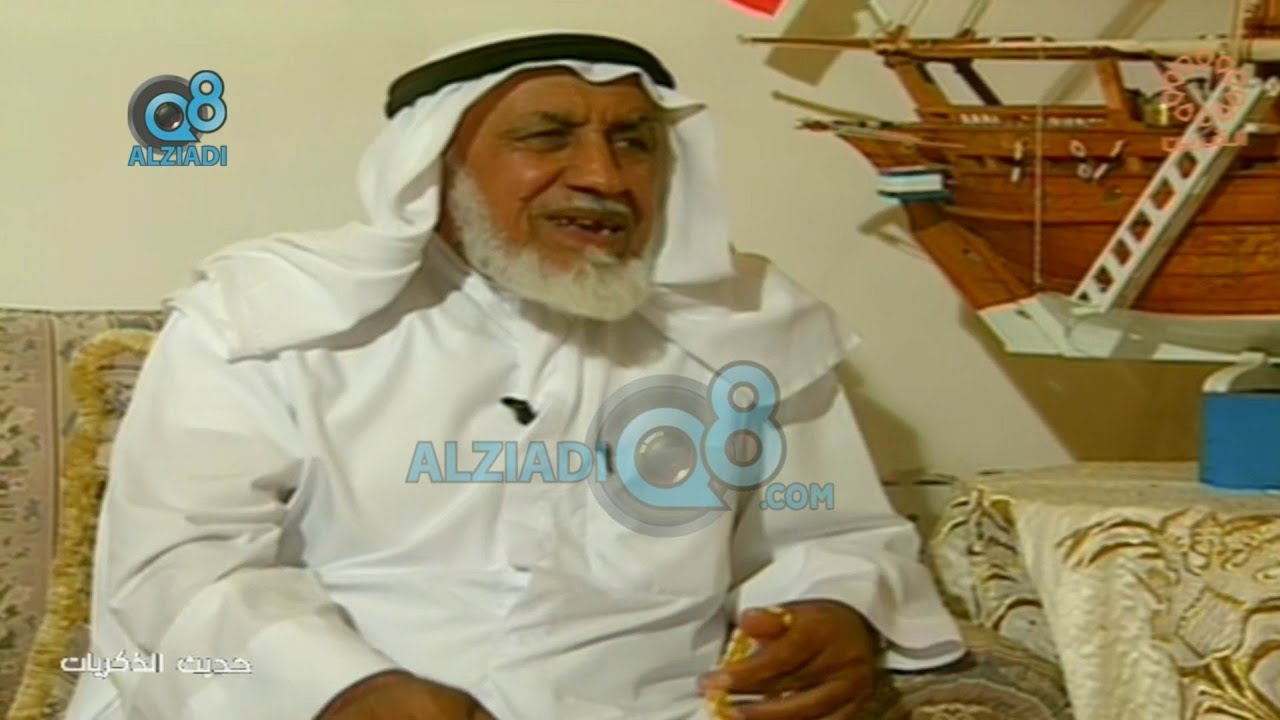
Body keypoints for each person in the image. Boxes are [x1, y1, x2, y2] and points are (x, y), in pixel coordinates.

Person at [66, 29, 965, 720]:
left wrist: (829, 611)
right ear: (436, 166)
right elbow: (178, 570)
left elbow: (831, 531)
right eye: (548, 137)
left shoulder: (750, 325)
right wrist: (344, 691)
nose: (603, 176)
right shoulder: (267, 315)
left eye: (635, 143)